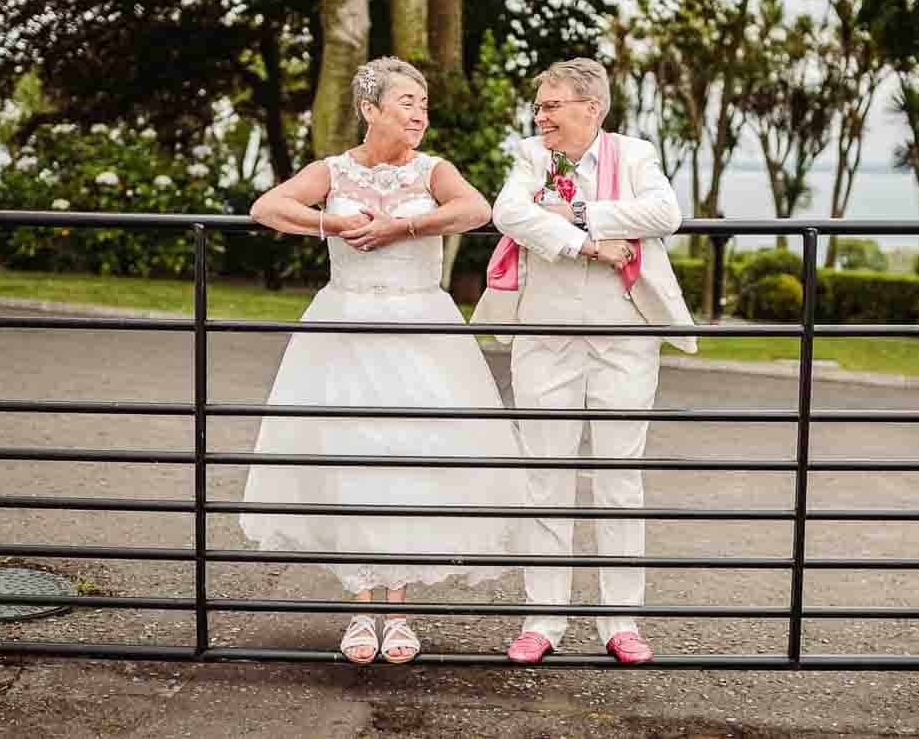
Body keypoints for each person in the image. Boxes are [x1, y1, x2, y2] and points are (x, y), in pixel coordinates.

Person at [241, 56, 524, 665]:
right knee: (353, 458)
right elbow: (267, 208)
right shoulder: (333, 169)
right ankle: (360, 608)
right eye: (406, 103)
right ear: (370, 110)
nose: (419, 114)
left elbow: (477, 210)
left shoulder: (433, 170)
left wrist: (405, 227)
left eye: (423, 104)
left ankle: (399, 610)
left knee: (410, 458)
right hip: (345, 329)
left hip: (421, 331)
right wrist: (332, 223)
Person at [472, 57, 697, 665]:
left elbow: (664, 214)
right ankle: (542, 619)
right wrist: (588, 242)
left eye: (552, 105)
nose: (540, 116)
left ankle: (620, 620)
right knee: (545, 474)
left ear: (590, 109)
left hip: (624, 337)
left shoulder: (636, 153)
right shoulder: (529, 156)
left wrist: (575, 212)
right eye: (539, 106)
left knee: (619, 478)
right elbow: (509, 214)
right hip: (544, 336)